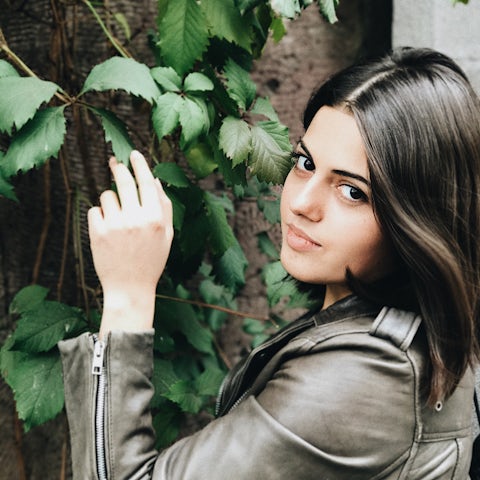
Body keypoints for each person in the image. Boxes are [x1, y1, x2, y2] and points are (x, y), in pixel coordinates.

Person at [59, 47, 480, 479]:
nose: (301, 203)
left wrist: (128, 293)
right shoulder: (408, 341)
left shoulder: (366, 376)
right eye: (305, 163)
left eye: (352, 191)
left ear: (420, 219)